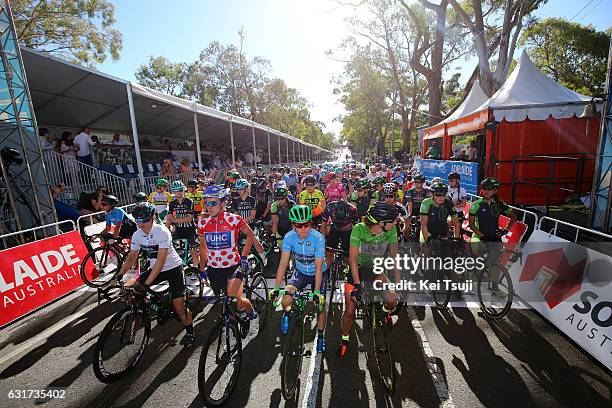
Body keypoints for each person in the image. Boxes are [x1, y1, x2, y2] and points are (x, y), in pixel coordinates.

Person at [115, 202, 195, 347]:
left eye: (144, 220)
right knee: (129, 289)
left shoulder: (162, 232)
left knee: (179, 307)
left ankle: (190, 332)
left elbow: (161, 261)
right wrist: (119, 275)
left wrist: (145, 284)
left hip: (172, 269)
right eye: (138, 220)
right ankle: (158, 306)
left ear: (153, 217)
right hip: (155, 268)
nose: (141, 224)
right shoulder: (137, 234)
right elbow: (132, 257)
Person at [338, 202, 400, 357]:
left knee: (392, 299)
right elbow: (352, 259)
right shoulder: (358, 229)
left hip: (376, 270)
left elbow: (395, 257)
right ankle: (344, 338)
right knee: (350, 310)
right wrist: (357, 285)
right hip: (357, 269)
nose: (395, 222)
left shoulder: (391, 231)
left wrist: (399, 282)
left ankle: (384, 312)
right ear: (382, 222)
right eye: (392, 220)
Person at [197, 185, 259, 323]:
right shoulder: (202, 223)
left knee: (235, 299)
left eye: (214, 202)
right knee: (224, 302)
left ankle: (251, 313)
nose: (210, 206)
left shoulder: (234, 219)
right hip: (214, 269)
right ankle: (232, 327)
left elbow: (250, 235)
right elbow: (203, 248)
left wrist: (244, 256)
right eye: (207, 203)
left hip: (233, 266)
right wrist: (201, 269)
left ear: (223, 203)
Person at [271, 205, 328, 353]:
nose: (303, 229)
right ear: (293, 225)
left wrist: (316, 292)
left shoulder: (318, 238)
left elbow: (318, 267)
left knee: (320, 306)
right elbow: (283, 263)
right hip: (300, 273)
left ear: (311, 223)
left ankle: (321, 336)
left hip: (317, 273)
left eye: (306, 225)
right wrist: (276, 288)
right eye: (299, 225)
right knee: (286, 298)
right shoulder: (289, 237)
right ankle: (287, 313)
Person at [228, 179, 268, 265]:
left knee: (254, 240)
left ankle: (263, 258)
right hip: (240, 225)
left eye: (240, 189)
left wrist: (241, 223)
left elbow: (252, 216)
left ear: (246, 189)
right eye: (237, 189)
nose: (238, 191)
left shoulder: (252, 199)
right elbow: (236, 215)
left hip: (250, 224)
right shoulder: (236, 201)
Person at [321, 196, 358, 271]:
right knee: (329, 252)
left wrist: (354, 243)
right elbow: (323, 224)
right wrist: (323, 238)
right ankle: (326, 271)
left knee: (347, 255)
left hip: (347, 230)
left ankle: (350, 271)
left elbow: (356, 227)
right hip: (335, 228)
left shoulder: (352, 209)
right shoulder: (329, 207)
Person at [166, 181, 198, 267]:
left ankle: (196, 270)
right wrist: (167, 231)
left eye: (180, 190)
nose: (178, 192)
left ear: (183, 190)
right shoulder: (172, 204)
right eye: (176, 191)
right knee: (169, 248)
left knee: (193, 251)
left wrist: (175, 221)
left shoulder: (189, 202)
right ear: (173, 192)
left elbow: (189, 218)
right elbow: (169, 217)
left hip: (190, 230)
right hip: (179, 230)